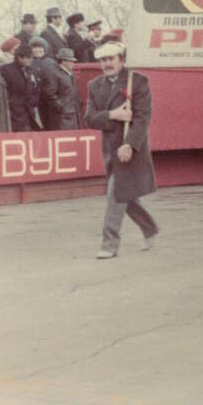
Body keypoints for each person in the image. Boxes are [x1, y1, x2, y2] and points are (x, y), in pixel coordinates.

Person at [84, 38, 160, 259]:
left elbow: (143, 117)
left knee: (115, 195)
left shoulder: (137, 81)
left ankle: (109, 244)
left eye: (111, 59)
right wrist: (112, 115)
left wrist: (129, 144)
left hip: (130, 149)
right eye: (103, 60)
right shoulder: (94, 85)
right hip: (110, 150)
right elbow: (89, 119)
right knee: (124, 194)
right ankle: (150, 228)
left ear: (121, 60)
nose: (107, 64)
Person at [0, 43, 42, 131]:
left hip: (30, 111)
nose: (30, 61)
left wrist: (34, 101)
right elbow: (4, 90)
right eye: (28, 58)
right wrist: (12, 103)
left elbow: (36, 87)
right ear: (19, 57)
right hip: (15, 112)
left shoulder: (29, 70)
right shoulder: (6, 70)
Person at [46, 48, 82, 130]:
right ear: (63, 61)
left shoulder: (70, 73)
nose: (73, 63)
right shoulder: (54, 73)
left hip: (73, 113)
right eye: (71, 61)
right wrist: (61, 107)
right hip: (63, 116)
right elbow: (49, 93)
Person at [29, 36, 57, 130]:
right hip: (35, 101)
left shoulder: (51, 62)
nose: (37, 50)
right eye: (34, 47)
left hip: (49, 100)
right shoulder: (29, 62)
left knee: (51, 124)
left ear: (44, 49)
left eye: (40, 47)